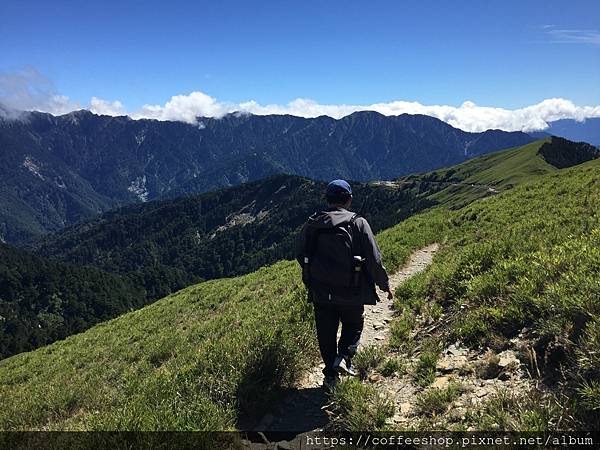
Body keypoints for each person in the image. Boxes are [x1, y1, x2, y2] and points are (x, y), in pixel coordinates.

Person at [296, 179, 392, 389]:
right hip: (352, 290)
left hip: (321, 292)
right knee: (353, 324)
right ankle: (344, 358)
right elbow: (374, 259)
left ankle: (330, 375)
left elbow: (301, 254)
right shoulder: (358, 223)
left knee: (326, 333)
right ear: (349, 199)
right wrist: (384, 284)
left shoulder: (313, 224)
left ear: (328, 200)